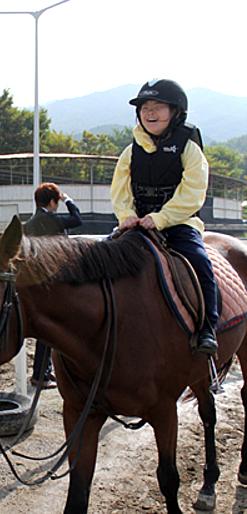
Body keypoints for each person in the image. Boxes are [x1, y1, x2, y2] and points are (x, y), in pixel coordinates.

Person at [110, 79, 218, 355]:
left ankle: (207, 327)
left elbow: (192, 193)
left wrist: (160, 218)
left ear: (176, 112)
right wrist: (126, 216)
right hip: (138, 225)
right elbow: (120, 191)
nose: (150, 113)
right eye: (145, 107)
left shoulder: (189, 147)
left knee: (199, 262)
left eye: (158, 107)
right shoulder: (130, 151)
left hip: (179, 224)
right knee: (103, 257)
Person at [24, 182, 83, 388]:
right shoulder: (53, 219)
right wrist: (70, 201)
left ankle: (42, 372)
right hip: (58, 281)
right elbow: (78, 219)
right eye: (57, 201)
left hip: (38, 281)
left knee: (45, 329)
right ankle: (46, 373)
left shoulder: (29, 224)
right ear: (52, 201)